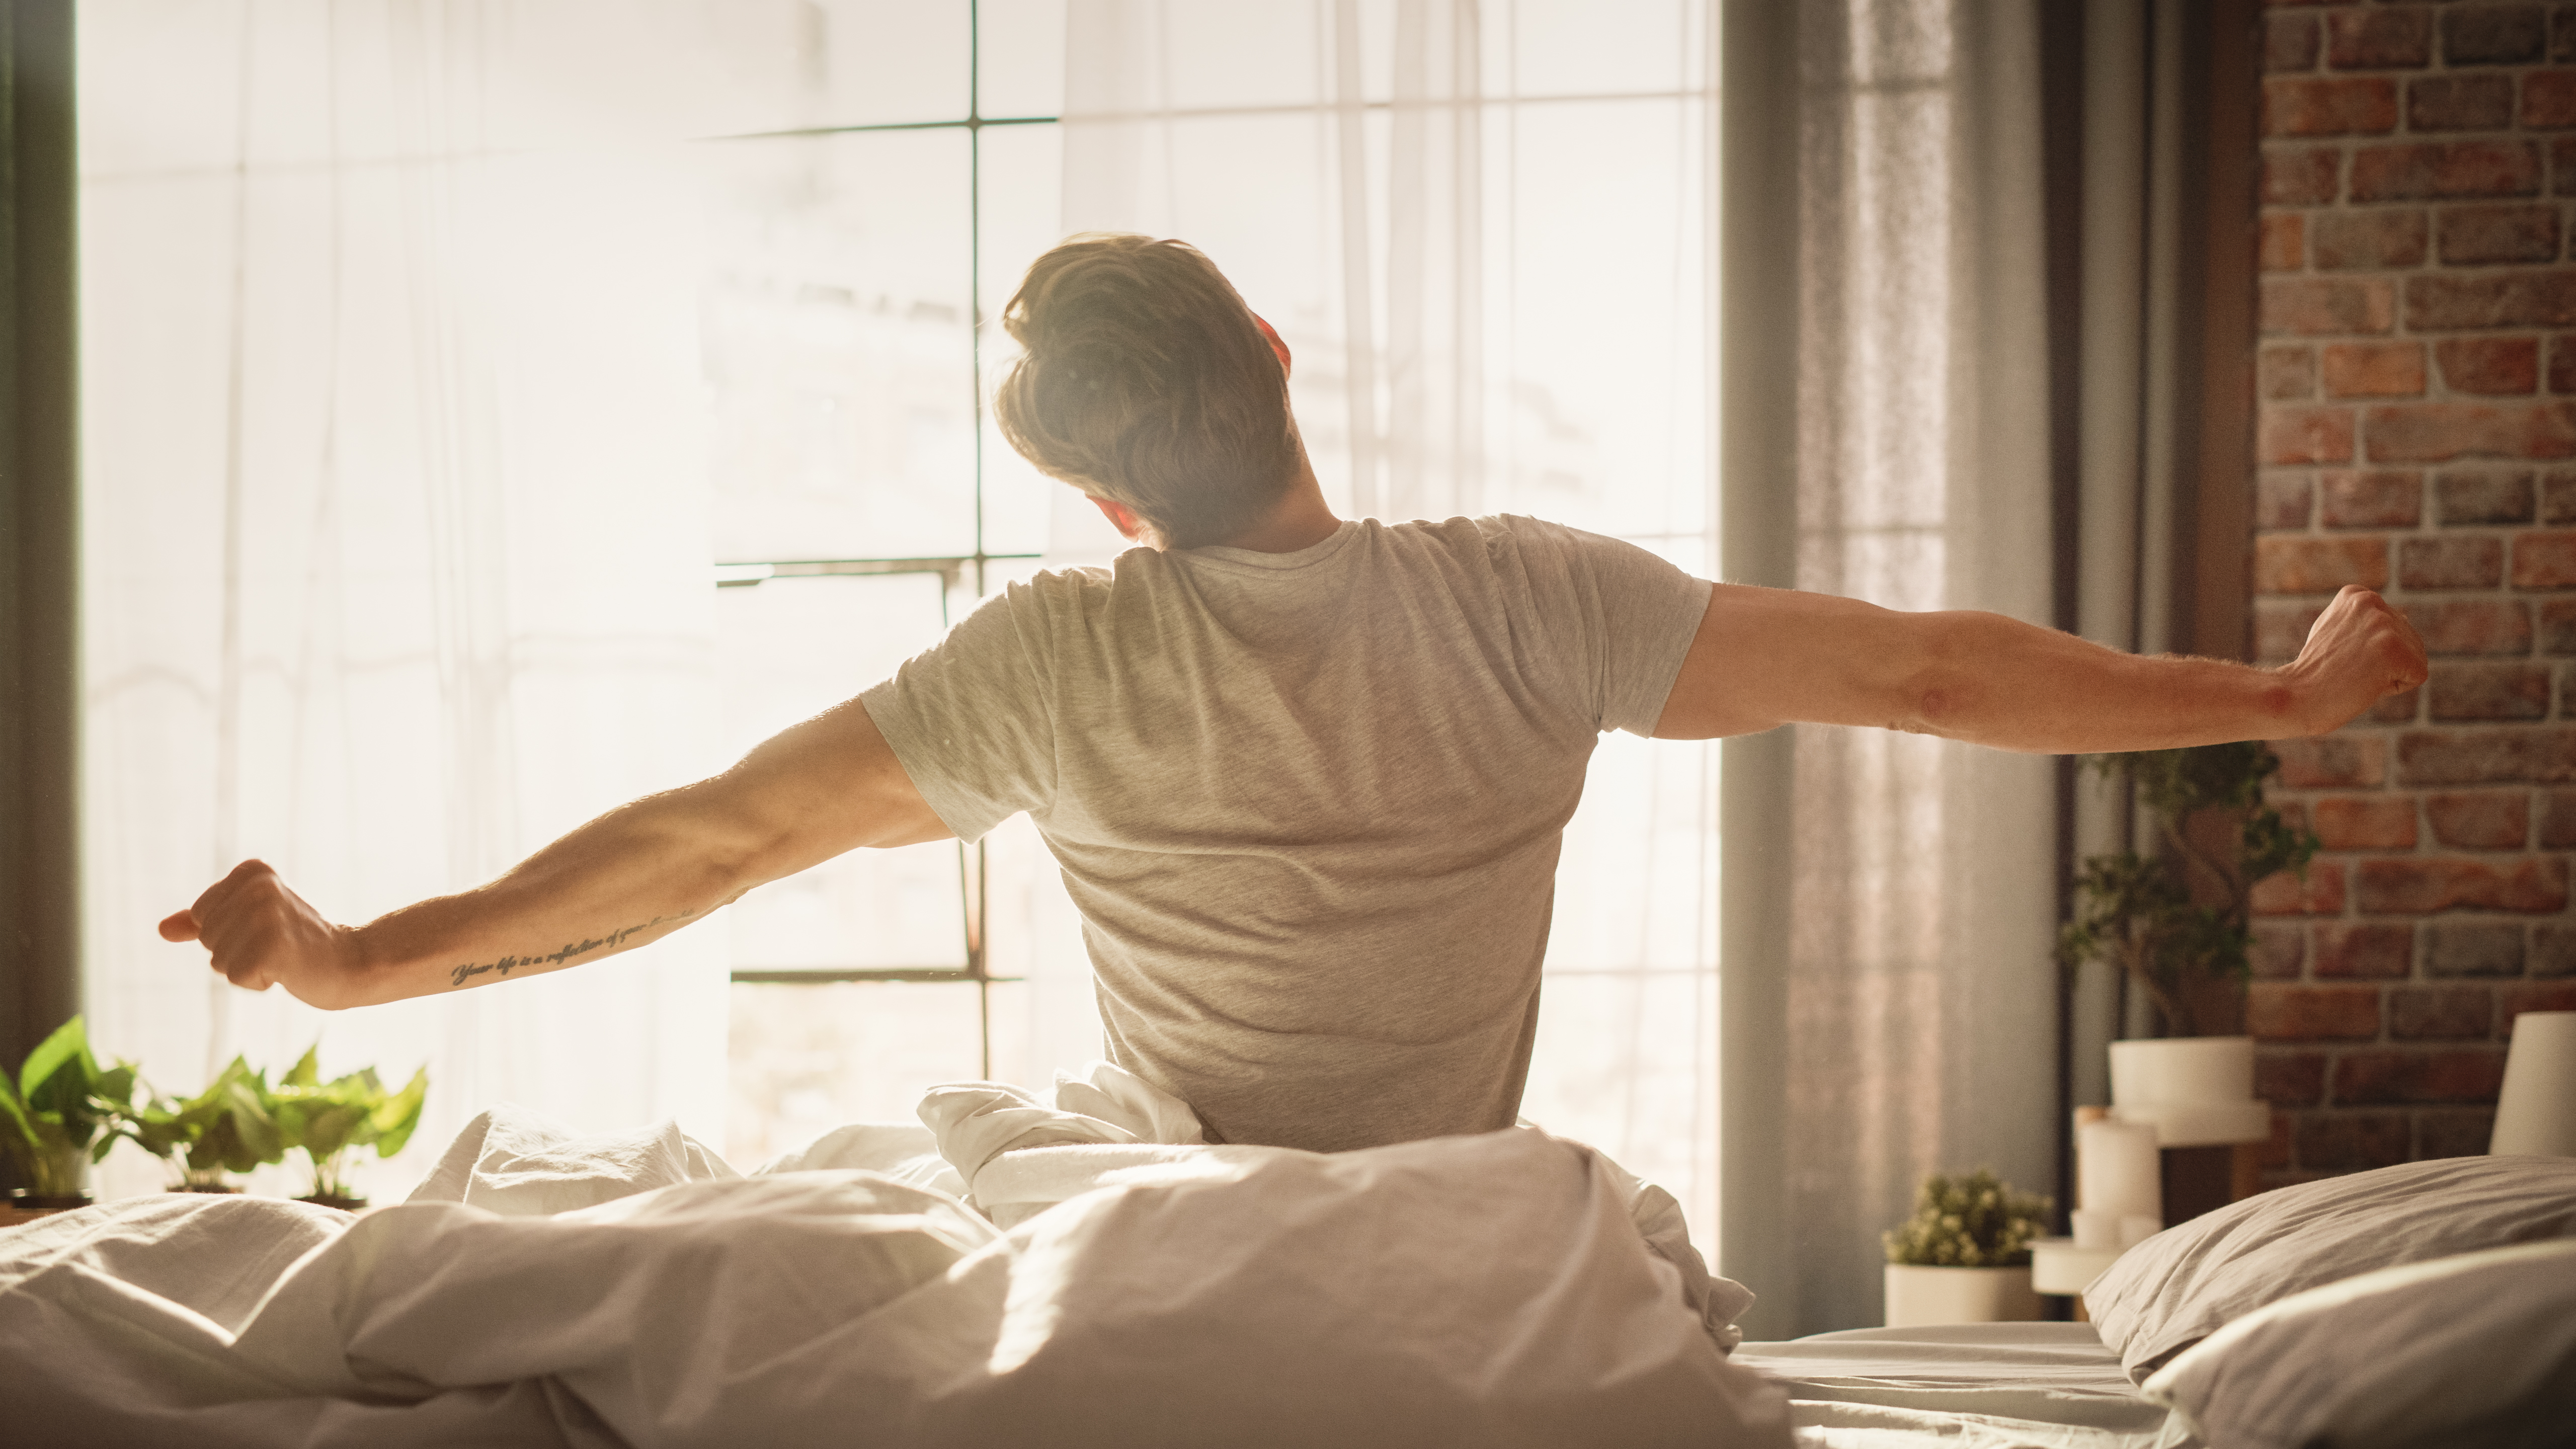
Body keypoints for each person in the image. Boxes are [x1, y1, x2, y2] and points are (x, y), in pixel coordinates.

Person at [164, 233, 2428, 1153]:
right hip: (1439, 1206)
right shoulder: (1528, 604)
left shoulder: (1048, 661)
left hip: (1160, 1213)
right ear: (1269, 356)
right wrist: (2274, 701)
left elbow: (700, 845)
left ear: (1093, 500)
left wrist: (363, 963)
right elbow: (1933, 677)